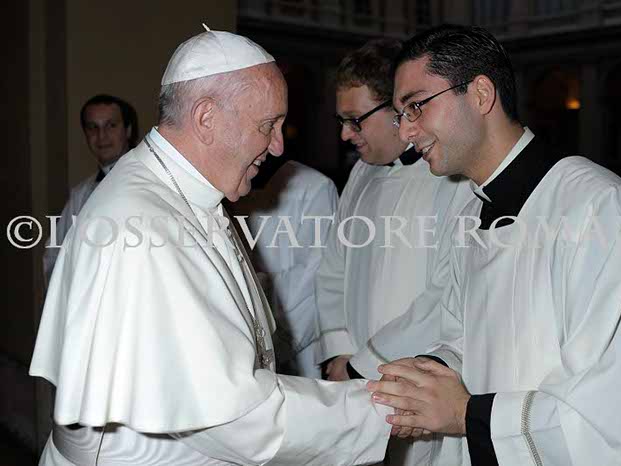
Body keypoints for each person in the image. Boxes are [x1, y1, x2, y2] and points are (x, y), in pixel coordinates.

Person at [30, 27, 391, 466]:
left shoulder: (181, 194)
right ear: (206, 118)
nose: (278, 145)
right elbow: (235, 418)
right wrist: (385, 410)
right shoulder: (142, 225)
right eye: (268, 125)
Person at [368, 25, 621, 466]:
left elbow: (617, 407)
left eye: (416, 106)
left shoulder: (598, 208)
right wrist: (429, 378)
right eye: (400, 115)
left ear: (480, 94)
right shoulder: (470, 214)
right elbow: (464, 337)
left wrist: (466, 415)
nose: (406, 132)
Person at [316, 38, 473, 465]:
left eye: (355, 120)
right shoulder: (360, 175)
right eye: (342, 121)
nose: (345, 134)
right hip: (352, 378)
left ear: (397, 109)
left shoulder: (452, 177)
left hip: (417, 380)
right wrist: (339, 353)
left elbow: (445, 293)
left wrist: (367, 364)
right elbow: (332, 269)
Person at [229, 157, 339, 378]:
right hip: (240, 347)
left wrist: (269, 352)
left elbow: (312, 278)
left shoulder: (314, 187)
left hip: (291, 348)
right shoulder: (228, 183)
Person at [43, 94, 138, 282]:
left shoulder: (154, 183)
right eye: (93, 127)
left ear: (128, 130)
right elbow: (54, 255)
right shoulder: (80, 195)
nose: (101, 136)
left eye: (111, 125)